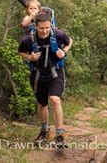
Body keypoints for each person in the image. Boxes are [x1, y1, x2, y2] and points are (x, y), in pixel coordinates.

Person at [18, 12, 73, 148]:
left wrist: (64, 51)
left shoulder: (57, 34)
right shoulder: (28, 40)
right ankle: (44, 131)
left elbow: (69, 41)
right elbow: (20, 52)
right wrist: (30, 58)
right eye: (42, 28)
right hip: (38, 74)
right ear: (36, 27)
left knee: (55, 99)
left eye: (47, 27)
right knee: (42, 103)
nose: (45, 31)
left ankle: (59, 135)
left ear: (50, 25)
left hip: (55, 72)